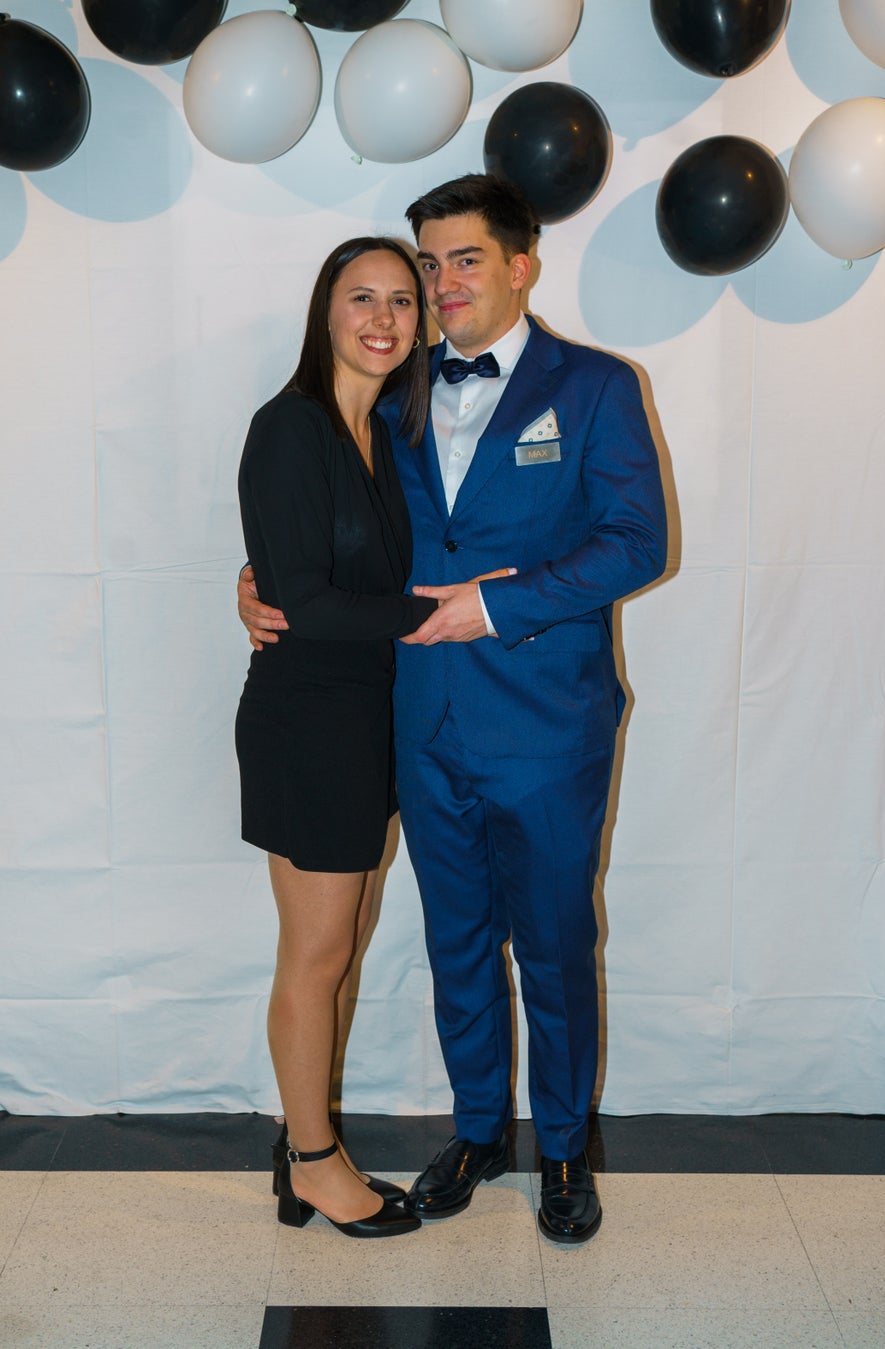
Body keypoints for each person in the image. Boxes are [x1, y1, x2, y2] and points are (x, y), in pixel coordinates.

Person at [239, 176, 668, 1245]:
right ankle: (479, 1130)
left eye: (463, 259)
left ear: (521, 266)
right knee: (459, 942)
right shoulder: (393, 388)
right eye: (428, 264)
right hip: (416, 723)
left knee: (556, 944)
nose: (440, 285)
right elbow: (329, 518)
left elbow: (637, 541)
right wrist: (257, 580)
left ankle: (561, 1147)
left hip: (546, 725)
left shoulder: (597, 386)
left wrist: (497, 604)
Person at [234, 237, 436, 1239]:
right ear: (326, 312)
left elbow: (306, 567)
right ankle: (315, 1163)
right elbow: (307, 601)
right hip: (308, 721)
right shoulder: (292, 426)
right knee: (316, 955)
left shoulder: (386, 434)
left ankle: (305, 1138)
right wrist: (439, 614)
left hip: (367, 719)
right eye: (362, 297)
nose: (383, 319)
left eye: (402, 300)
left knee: (343, 949)